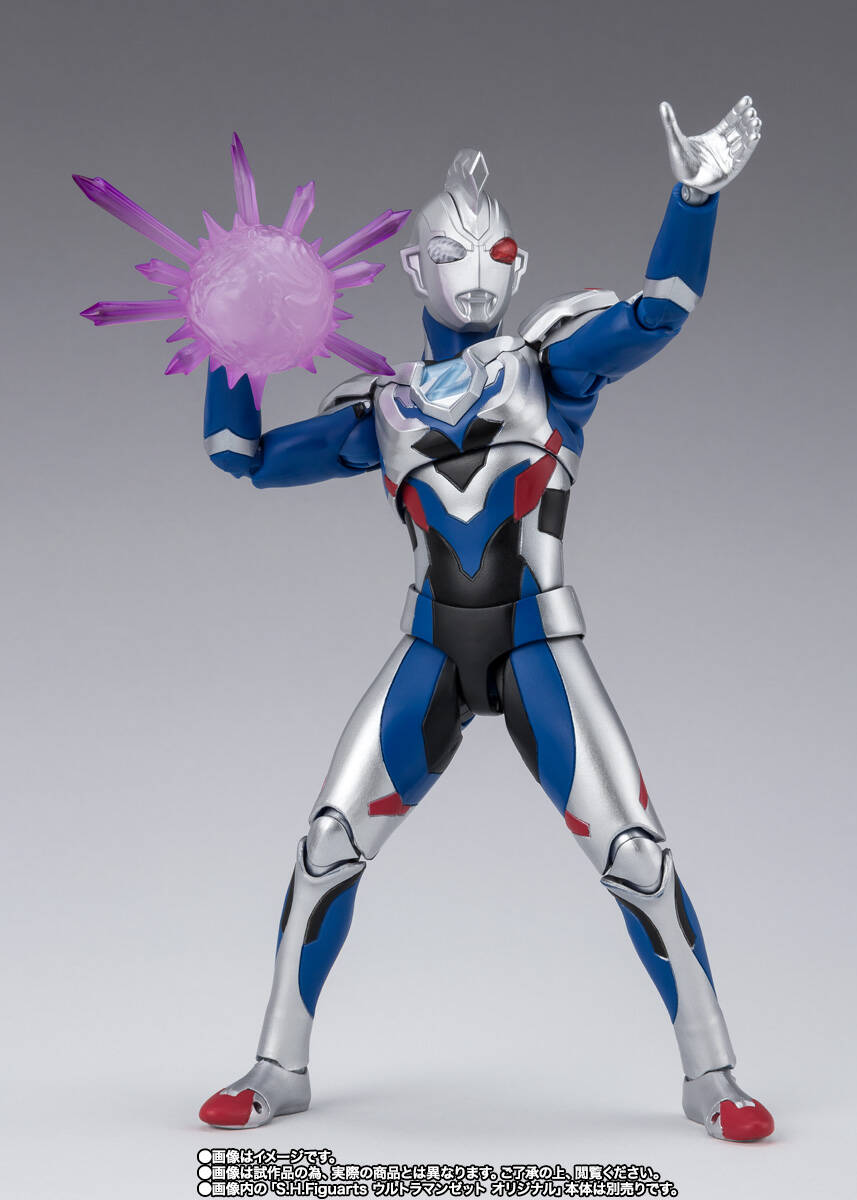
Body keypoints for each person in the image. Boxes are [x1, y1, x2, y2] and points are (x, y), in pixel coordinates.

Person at [198, 97, 773, 1142]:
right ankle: (276, 1063)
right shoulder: (381, 407)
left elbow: (659, 311)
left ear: (521, 267)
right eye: (451, 253)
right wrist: (227, 338)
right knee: (326, 846)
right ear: (413, 270)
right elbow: (241, 459)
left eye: (496, 251)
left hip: (536, 644)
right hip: (429, 648)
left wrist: (693, 198)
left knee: (635, 858)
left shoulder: (549, 367)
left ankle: (712, 1074)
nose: (475, 270)